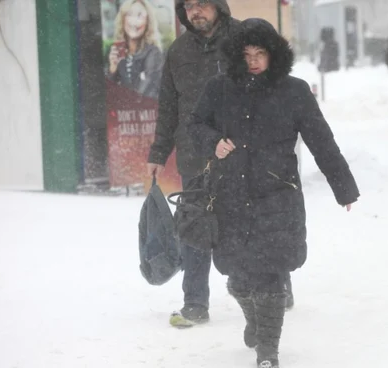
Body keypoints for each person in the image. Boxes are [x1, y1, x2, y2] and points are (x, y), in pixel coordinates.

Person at [187, 18, 360, 368]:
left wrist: (344, 188)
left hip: (276, 197)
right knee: (238, 279)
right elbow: (195, 125)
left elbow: (322, 141)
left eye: (260, 53)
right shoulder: (219, 88)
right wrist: (214, 143)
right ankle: (254, 321)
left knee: (269, 278)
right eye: (246, 54)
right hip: (230, 197)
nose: (253, 61)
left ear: (273, 54)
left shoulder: (294, 91)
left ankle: (268, 352)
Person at [146, 0, 242, 328]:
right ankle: (195, 302)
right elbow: (168, 107)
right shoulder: (178, 51)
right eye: (188, 6)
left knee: (250, 225)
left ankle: (271, 287)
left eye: (202, 4)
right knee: (195, 227)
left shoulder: (244, 38)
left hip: (239, 153)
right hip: (194, 156)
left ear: (218, 6)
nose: (195, 12)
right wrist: (158, 153)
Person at [107, 0, 164, 99]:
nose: (134, 22)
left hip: (146, 112)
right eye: (129, 15)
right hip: (124, 112)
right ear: (123, 19)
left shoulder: (153, 53)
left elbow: (148, 90)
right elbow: (110, 94)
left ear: (147, 22)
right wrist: (113, 69)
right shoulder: (119, 52)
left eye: (140, 16)